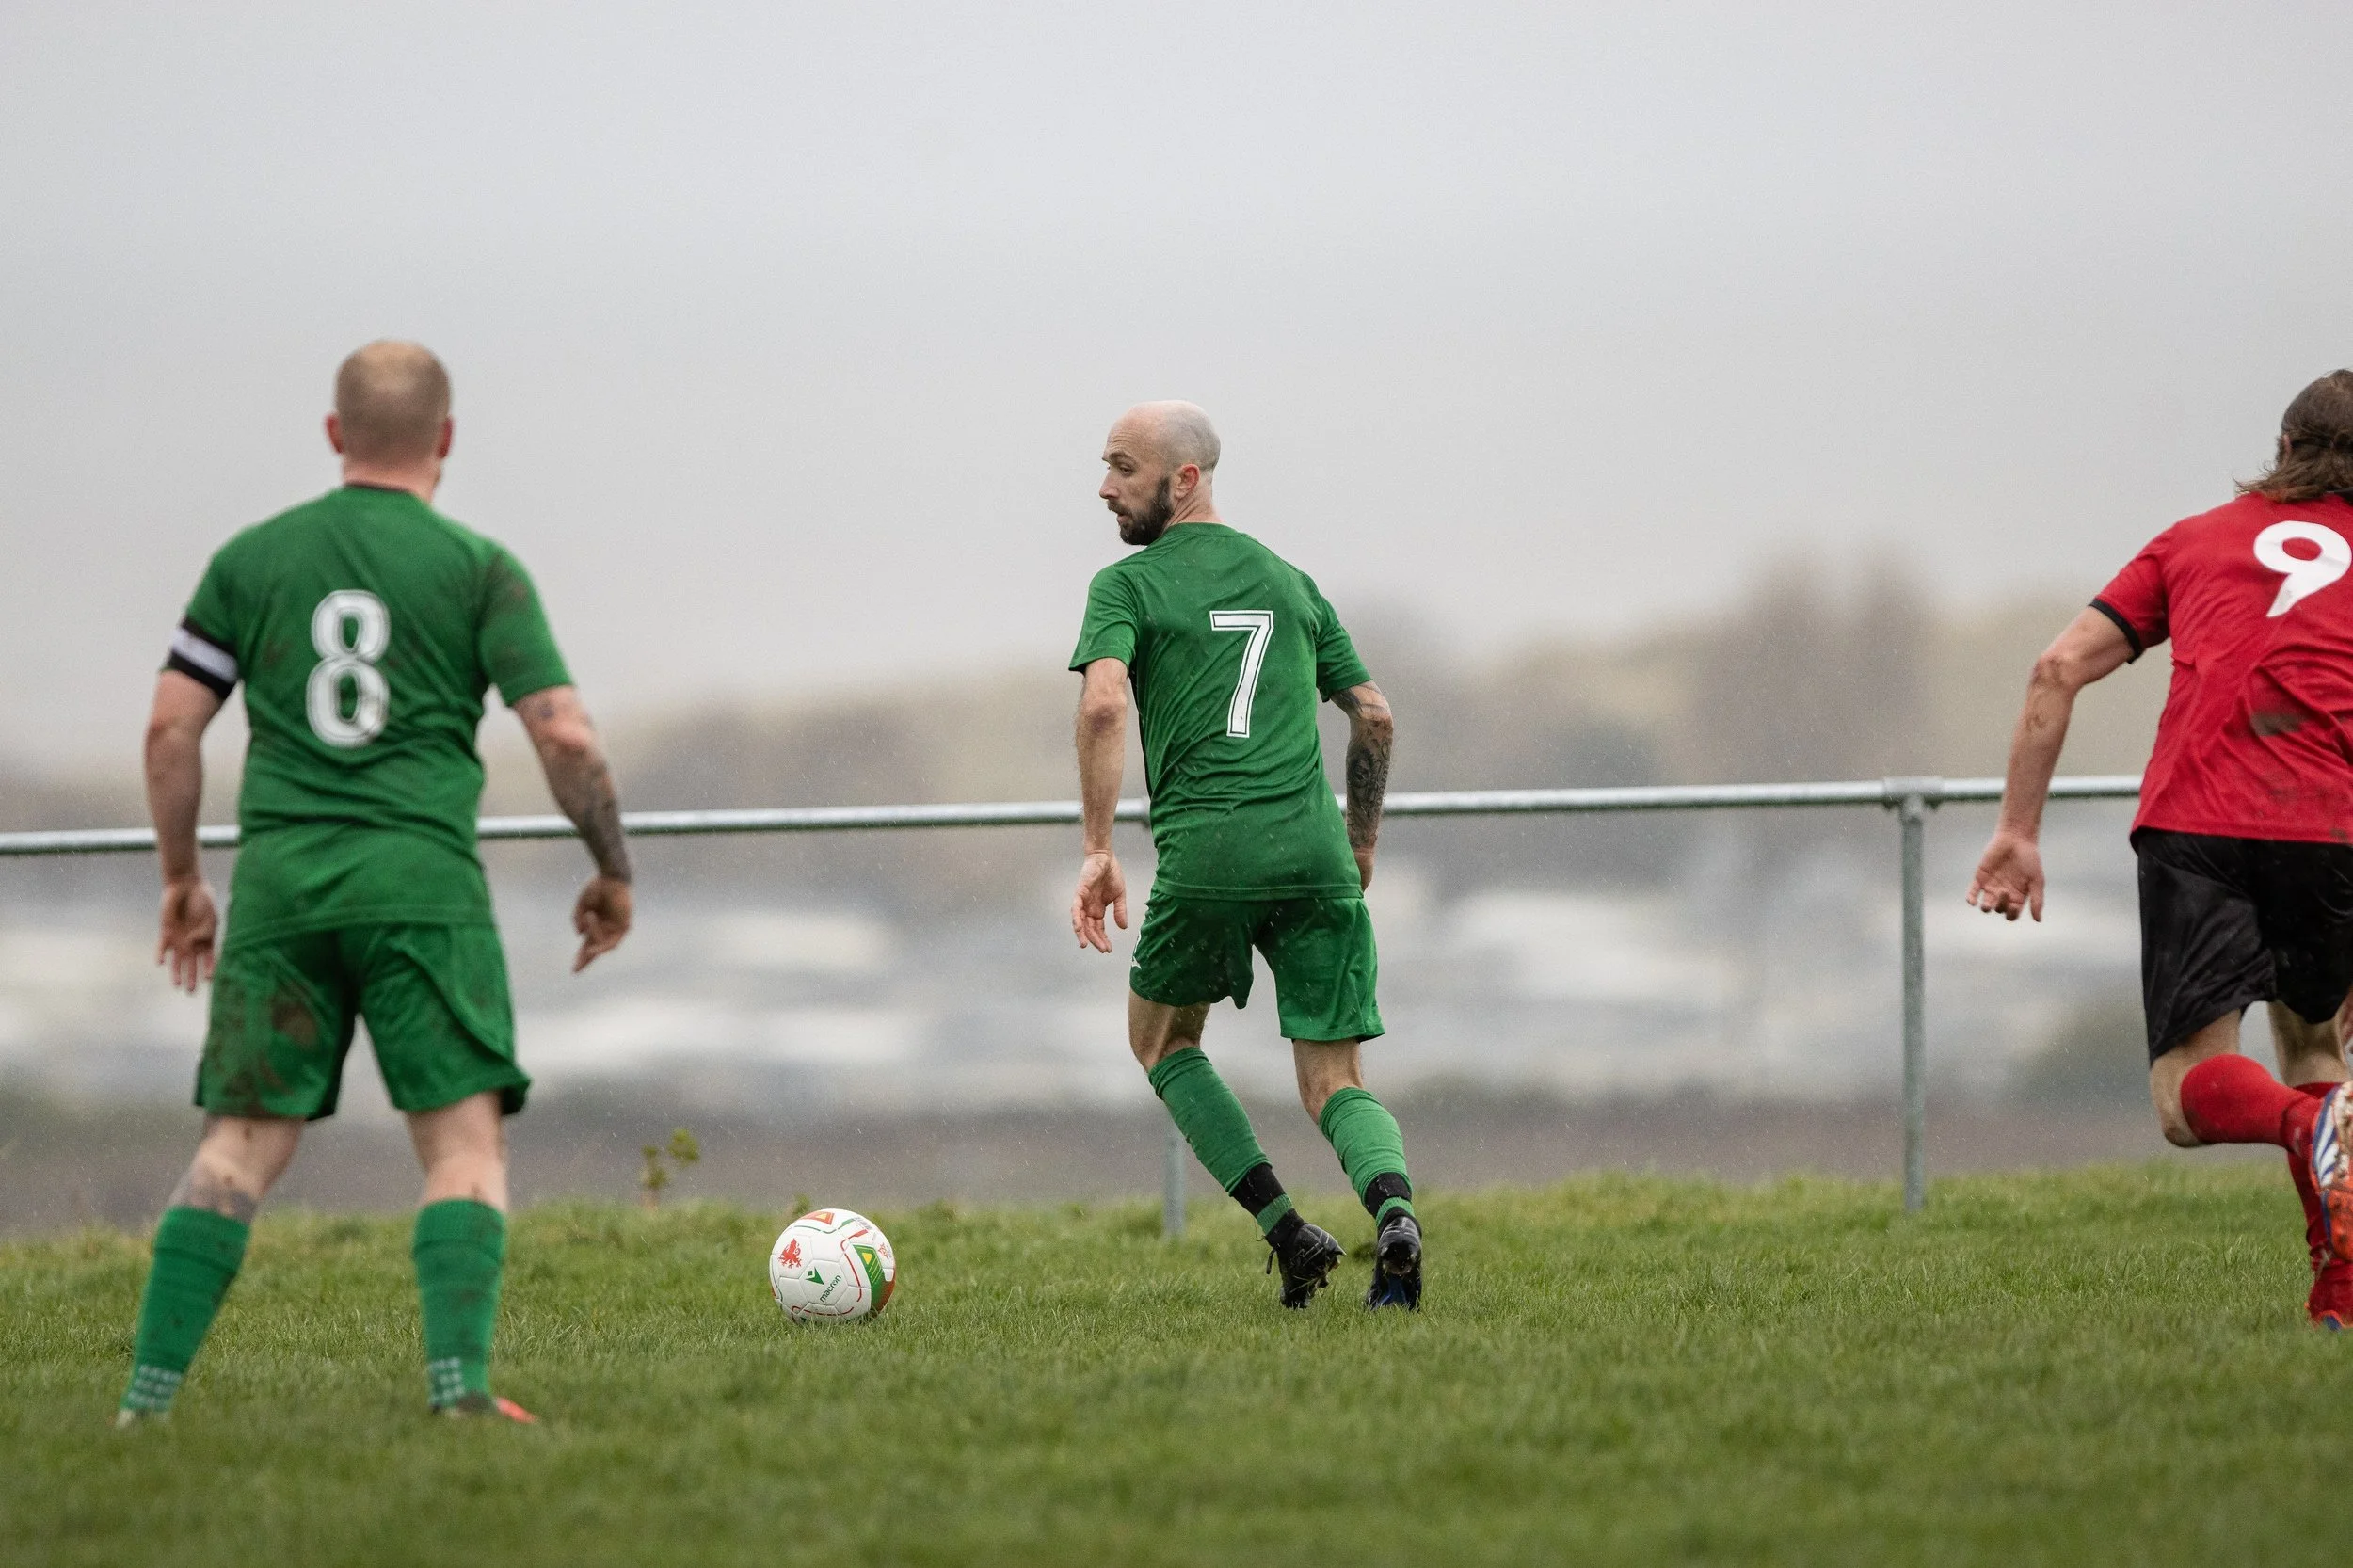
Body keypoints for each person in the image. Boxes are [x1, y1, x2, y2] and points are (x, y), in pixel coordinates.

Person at [118, 341, 634, 1424]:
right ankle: (458, 1395)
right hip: (422, 893)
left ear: (333, 435)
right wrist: (610, 869)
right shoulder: (479, 567)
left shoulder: (249, 561)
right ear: (445, 439)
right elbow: (569, 739)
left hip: (280, 892)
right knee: (459, 1146)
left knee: (238, 1148)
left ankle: (146, 1406)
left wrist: (181, 877)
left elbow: (172, 724)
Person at [1967, 370, 2353, 1326]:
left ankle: (2312, 1141)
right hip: (2331, 823)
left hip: (2198, 824)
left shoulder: (2191, 539)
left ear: (2282, 447)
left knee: (2187, 1101)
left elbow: (2056, 665)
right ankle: (2339, 1285)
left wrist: (2017, 831)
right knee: (2313, 1046)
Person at [1068, 401, 1420, 1310]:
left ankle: (1290, 1234)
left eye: (1123, 467)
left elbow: (1106, 707)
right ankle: (1393, 1216)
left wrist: (1099, 850)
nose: (1104, 487)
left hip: (1206, 855)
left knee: (1162, 1040)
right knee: (1335, 1080)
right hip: (1314, 858)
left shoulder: (1127, 587)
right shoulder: (1291, 580)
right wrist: (1361, 844)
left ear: (1184, 480)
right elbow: (1373, 713)